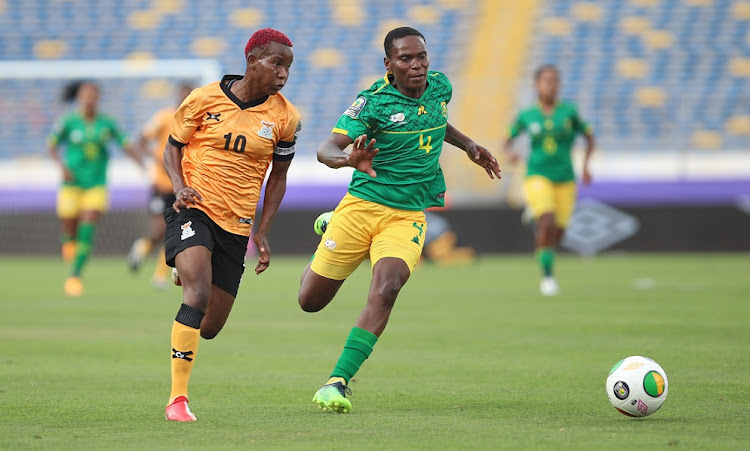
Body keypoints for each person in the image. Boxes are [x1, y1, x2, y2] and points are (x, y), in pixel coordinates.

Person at [297, 27, 501, 413]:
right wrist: (347, 160)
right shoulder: (372, 102)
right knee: (310, 301)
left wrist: (470, 145)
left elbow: (438, 120)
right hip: (361, 207)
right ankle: (329, 230)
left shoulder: (440, 87)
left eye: (421, 56)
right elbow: (326, 149)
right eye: (405, 59)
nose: (417, 64)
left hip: (406, 215)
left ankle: (336, 382)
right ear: (389, 65)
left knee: (388, 287)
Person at [161, 28, 300, 422]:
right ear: (252, 61)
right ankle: (177, 399)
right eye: (277, 64)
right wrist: (180, 187)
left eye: (288, 67)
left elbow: (278, 177)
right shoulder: (204, 99)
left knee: (209, 327)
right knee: (198, 293)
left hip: (237, 225)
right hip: (194, 206)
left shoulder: (285, 117)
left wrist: (264, 230)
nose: (283, 74)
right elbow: (172, 149)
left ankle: (187, 267)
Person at [503, 64, 595, 296]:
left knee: (558, 232)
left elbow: (590, 137)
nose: (550, 85)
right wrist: (510, 153)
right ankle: (548, 278)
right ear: (536, 85)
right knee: (548, 221)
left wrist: (585, 166)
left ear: (559, 85)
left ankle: (535, 218)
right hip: (537, 174)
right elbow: (507, 140)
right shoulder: (527, 115)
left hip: (565, 177)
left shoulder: (570, 112)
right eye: (545, 80)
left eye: (554, 80)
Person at [48, 81, 144, 297]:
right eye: (86, 94)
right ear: (79, 97)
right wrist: (61, 167)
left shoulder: (107, 123)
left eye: (93, 94)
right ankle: (68, 241)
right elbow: (51, 145)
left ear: (98, 97)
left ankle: (75, 276)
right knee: (70, 228)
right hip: (71, 184)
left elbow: (125, 144)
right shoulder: (68, 122)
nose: (89, 97)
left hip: (96, 185)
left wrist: (141, 163)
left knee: (88, 228)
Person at [127, 82, 194, 289]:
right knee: (159, 231)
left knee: (173, 229)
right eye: (183, 94)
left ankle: (159, 276)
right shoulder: (165, 117)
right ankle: (143, 247)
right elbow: (141, 139)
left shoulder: (197, 120)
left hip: (182, 185)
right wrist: (156, 159)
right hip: (161, 184)